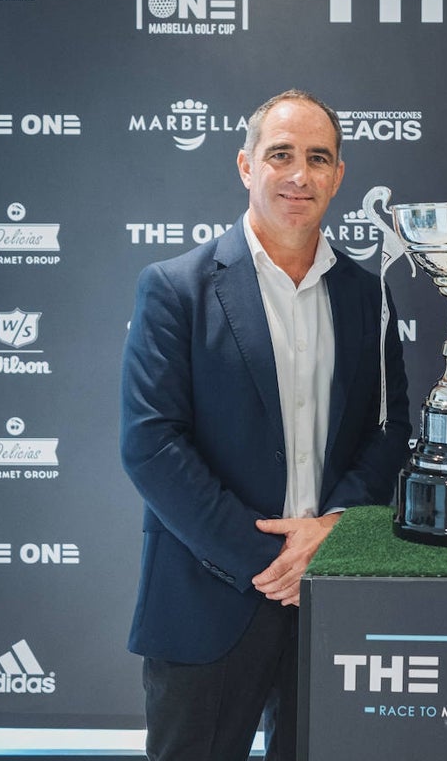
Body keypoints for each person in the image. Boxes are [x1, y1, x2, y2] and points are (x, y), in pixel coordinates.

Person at [120, 89, 411, 761]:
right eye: (280, 154)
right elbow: (151, 446)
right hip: (208, 596)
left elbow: (389, 432)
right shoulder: (175, 288)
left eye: (318, 158)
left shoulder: (368, 295)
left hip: (333, 597)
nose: (298, 175)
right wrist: (273, 559)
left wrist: (332, 531)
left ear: (339, 176)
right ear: (247, 165)